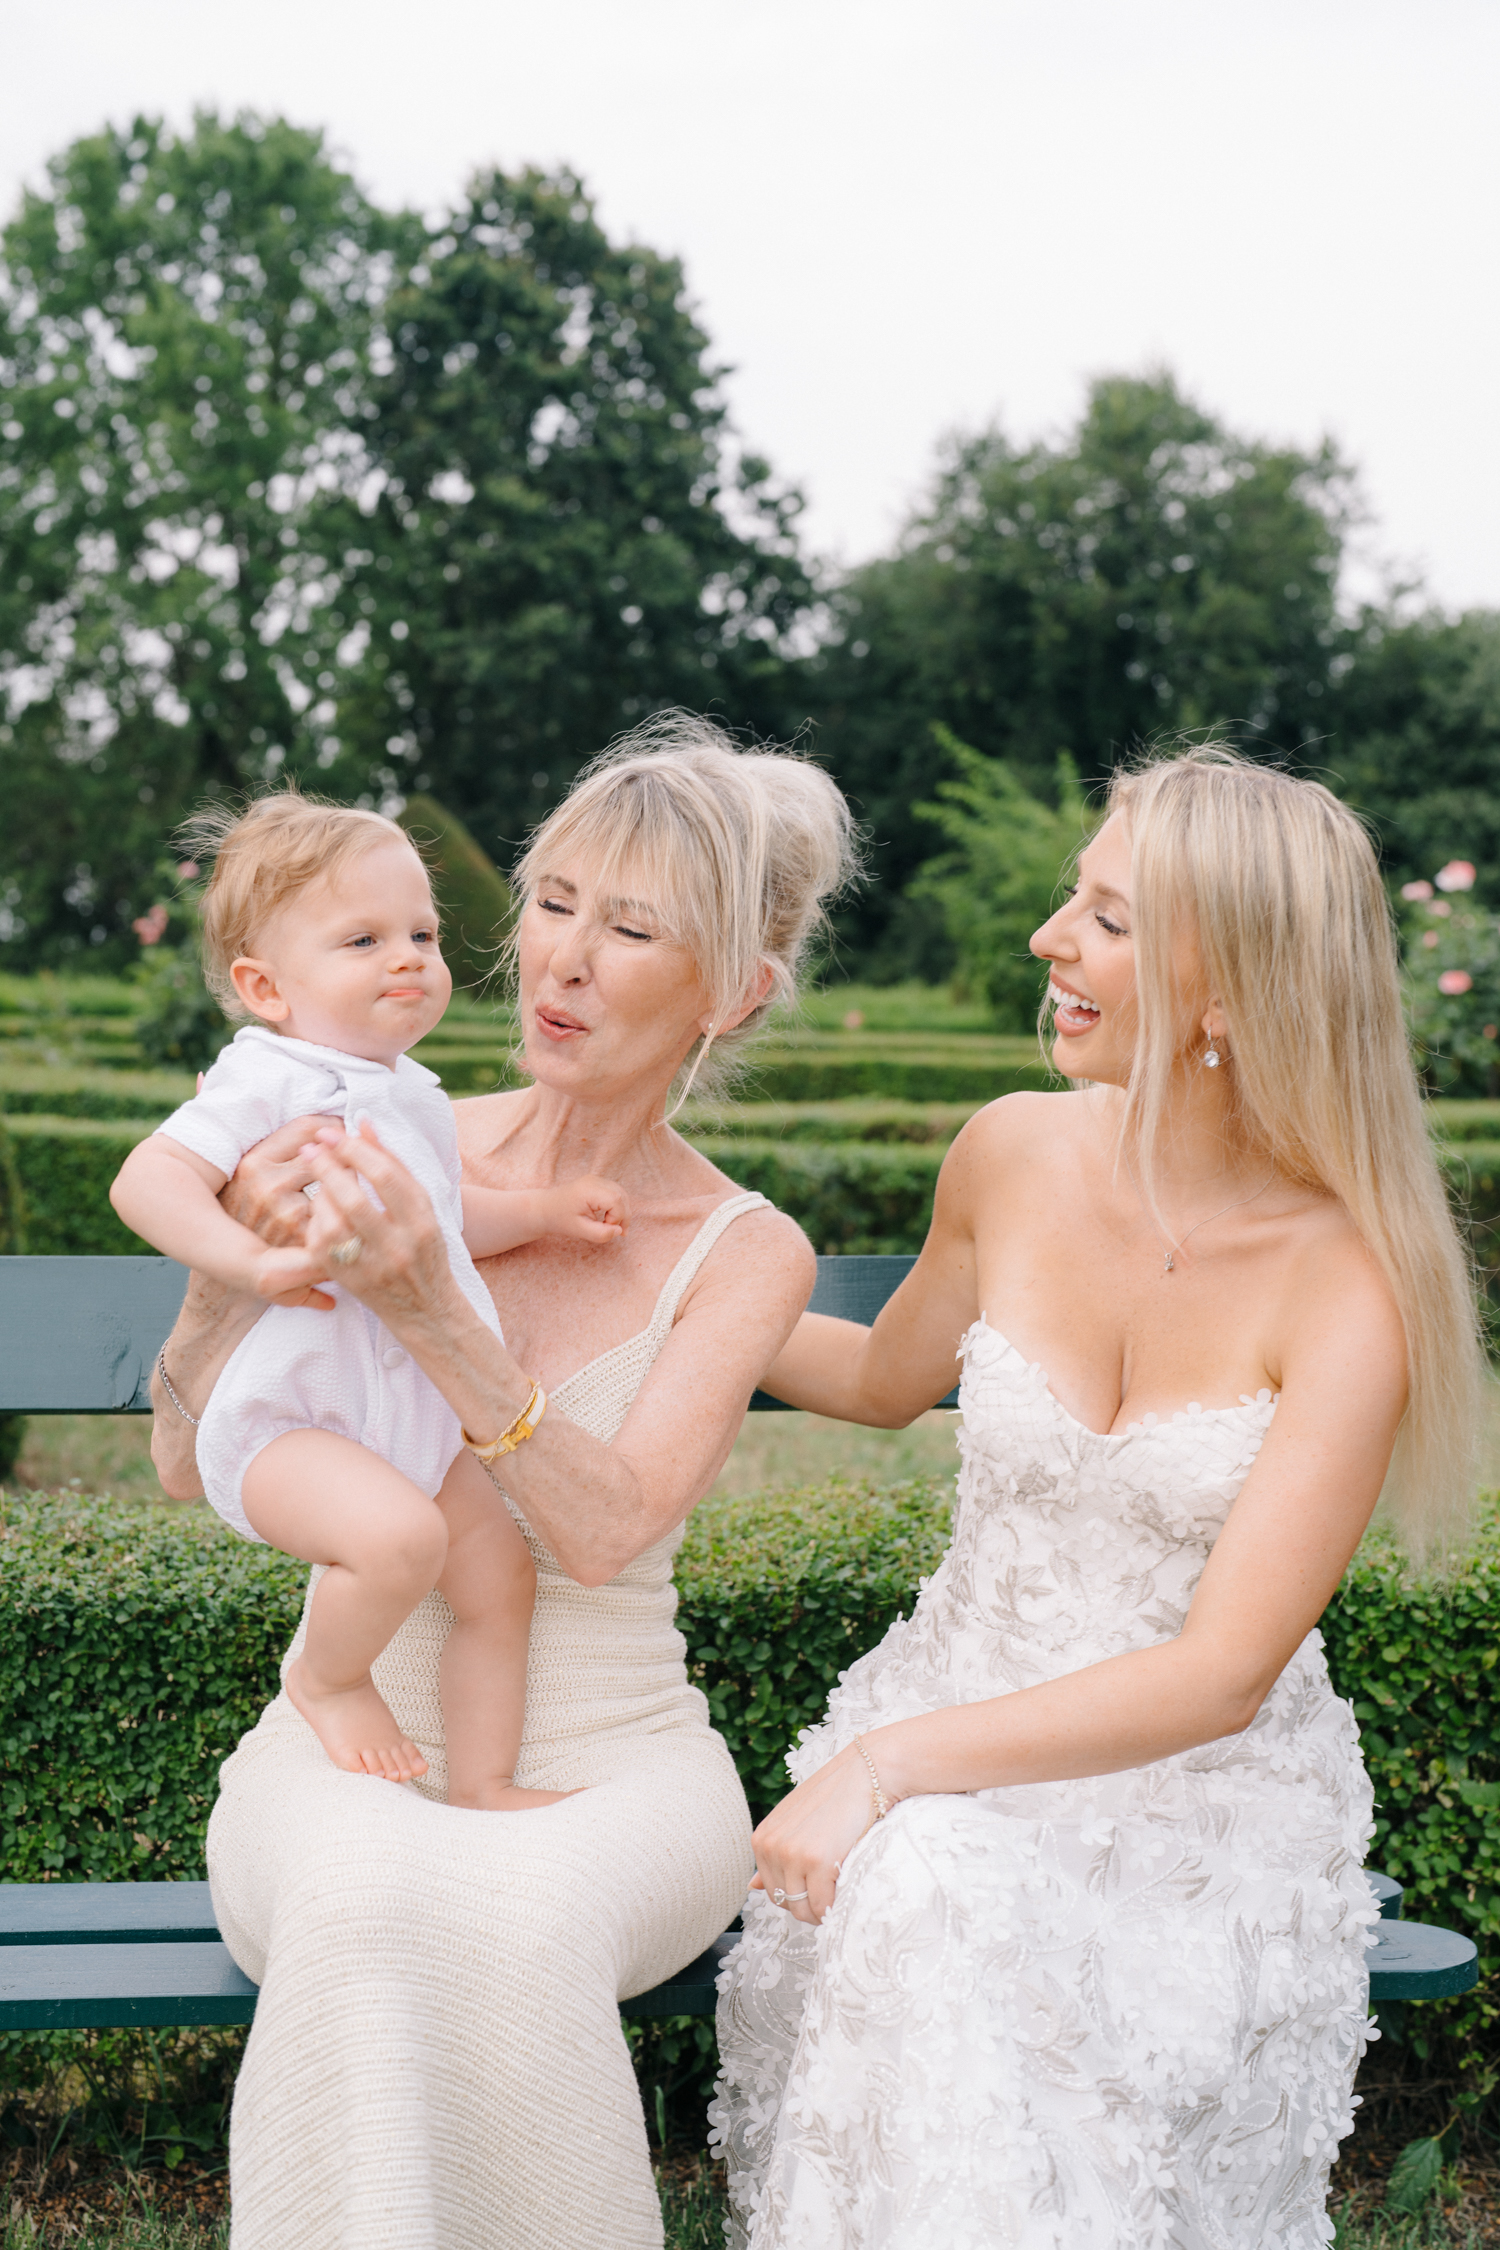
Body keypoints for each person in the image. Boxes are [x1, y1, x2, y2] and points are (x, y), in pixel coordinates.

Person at [711, 747, 1482, 2250]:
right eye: (1076, 896)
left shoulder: (1352, 1284)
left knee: (921, 1873)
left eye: (1108, 918)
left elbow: (1218, 1672)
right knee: (931, 1886)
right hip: (958, 1703)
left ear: (1224, 992)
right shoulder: (1010, 1150)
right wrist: (649, 1286)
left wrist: (885, 1768)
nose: (1048, 939)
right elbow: (879, 1374)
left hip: (1196, 1807)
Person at [147, 718, 854, 2249]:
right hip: (352, 1735)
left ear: (732, 990)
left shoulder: (746, 1251)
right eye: (552, 901)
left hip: (618, 1753)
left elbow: (602, 1536)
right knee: (360, 1900)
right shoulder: (394, 1129)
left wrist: (432, 1310)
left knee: (518, 1918)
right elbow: (178, 1453)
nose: (564, 960)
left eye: (632, 926)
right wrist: (231, 1270)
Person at [115, 790, 628, 1807]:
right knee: (400, 1541)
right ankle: (326, 1676)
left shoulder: (414, 1094)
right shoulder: (269, 1077)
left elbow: (443, 1221)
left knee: (499, 1578)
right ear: (266, 986)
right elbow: (147, 1181)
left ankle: (481, 1781)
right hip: (290, 1424)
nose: (408, 957)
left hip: (414, 1420)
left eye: (422, 933)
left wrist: (545, 1211)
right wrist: (250, 1262)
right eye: (363, 939)